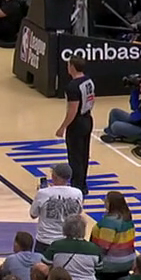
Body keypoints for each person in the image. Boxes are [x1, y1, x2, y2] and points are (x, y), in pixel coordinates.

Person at [56, 56, 94, 191]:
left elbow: (73, 110)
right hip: (88, 118)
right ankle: (82, 184)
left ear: (72, 67)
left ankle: (77, 186)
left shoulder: (72, 86)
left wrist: (63, 127)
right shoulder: (88, 81)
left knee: (75, 157)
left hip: (77, 123)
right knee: (84, 155)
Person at [102, 74, 141, 144]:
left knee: (115, 125)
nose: (140, 85)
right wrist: (135, 91)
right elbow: (134, 107)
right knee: (115, 112)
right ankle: (113, 133)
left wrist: (127, 121)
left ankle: (115, 133)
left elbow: (134, 119)